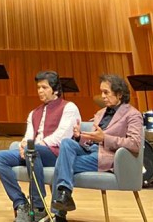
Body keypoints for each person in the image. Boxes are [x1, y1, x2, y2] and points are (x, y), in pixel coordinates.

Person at [50, 74, 143, 222]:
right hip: (91, 150)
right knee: (67, 143)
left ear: (119, 94)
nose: (102, 96)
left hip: (107, 156)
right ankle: (64, 196)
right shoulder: (101, 113)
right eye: (102, 92)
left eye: (106, 92)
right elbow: (92, 138)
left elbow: (134, 144)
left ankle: (59, 214)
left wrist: (104, 138)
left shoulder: (133, 114)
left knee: (62, 164)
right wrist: (80, 136)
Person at [0, 70, 81, 222]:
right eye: (38, 87)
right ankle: (20, 203)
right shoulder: (34, 112)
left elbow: (61, 136)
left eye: (44, 87)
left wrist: (32, 147)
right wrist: (23, 145)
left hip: (55, 154)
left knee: (32, 150)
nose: (40, 90)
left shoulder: (69, 107)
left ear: (55, 90)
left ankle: (38, 206)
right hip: (32, 153)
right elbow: (29, 135)